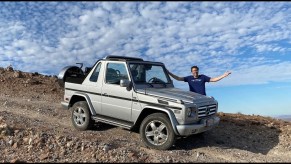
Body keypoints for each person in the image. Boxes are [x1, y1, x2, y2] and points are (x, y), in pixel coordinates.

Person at [166, 66, 231, 96]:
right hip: (193, 97)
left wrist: (224, 75)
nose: (195, 71)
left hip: (202, 97)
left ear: (198, 71)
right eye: (194, 70)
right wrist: (169, 73)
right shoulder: (189, 78)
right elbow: (178, 78)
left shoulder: (203, 77)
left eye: (196, 70)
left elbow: (214, 80)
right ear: (192, 72)